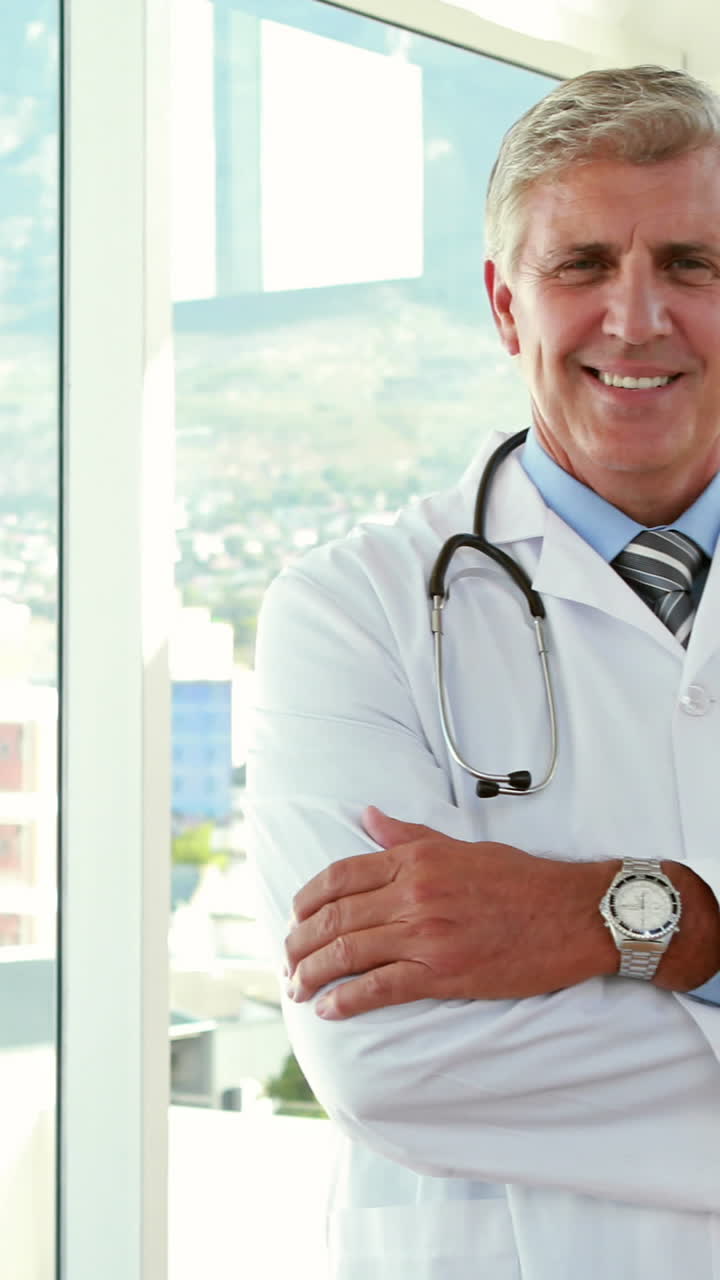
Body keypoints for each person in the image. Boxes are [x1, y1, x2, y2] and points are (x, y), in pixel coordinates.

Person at [247, 64, 720, 1279]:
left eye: (688, 263)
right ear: (508, 304)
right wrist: (683, 936)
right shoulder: (349, 613)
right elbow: (391, 1063)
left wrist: (620, 917)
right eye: (582, 267)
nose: (636, 318)